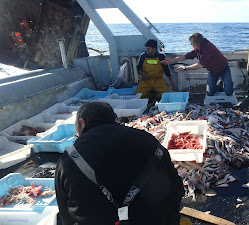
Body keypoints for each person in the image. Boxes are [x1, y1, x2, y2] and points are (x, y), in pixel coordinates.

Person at [55, 101, 184, 225]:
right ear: (113, 119)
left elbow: (65, 213)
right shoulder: (148, 140)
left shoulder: (70, 157)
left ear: (82, 122)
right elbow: (177, 187)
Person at [161, 32, 234, 96]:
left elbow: (199, 65)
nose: (191, 44)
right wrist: (171, 60)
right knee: (209, 93)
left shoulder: (208, 48)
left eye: (192, 43)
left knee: (228, 92)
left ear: (197, 42)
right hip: (213, 71)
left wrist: (185, 68)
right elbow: (186, 56)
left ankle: (227, 85)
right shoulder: (198, 49)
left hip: (223, 68)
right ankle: (219, 85)